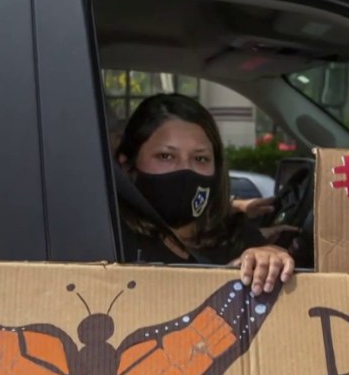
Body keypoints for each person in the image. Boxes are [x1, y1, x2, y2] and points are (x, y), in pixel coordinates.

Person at [115, 94, 295, 295]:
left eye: (200, 158)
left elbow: (266, 262)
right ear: (127, 165)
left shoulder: (233, 233)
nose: (185, 170)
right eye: (165, 156)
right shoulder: (113, 236)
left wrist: (269, 256)